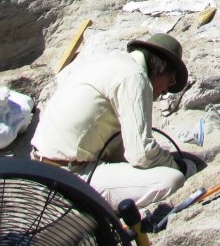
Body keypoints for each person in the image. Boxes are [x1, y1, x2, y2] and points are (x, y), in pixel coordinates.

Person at [29, 33, 190, 210]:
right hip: (67, 176)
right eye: (171, 80)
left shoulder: (110, 62)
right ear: (161, 68)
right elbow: (141, 154)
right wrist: (178, 167)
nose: (166, 91)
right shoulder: (134, 77)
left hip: (40, 165)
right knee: (172, 179)